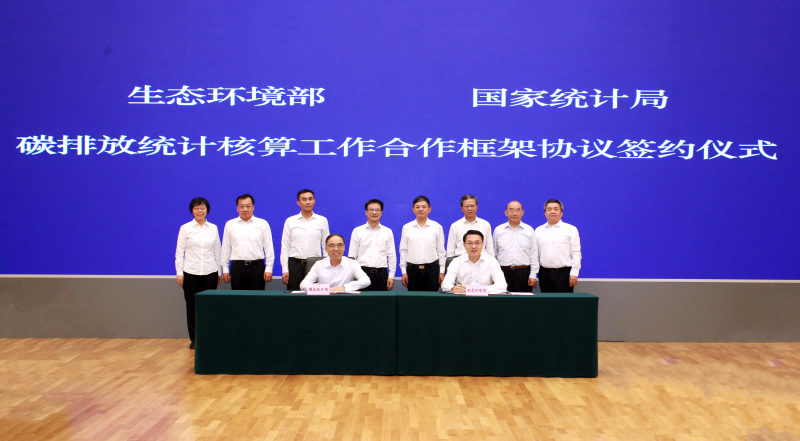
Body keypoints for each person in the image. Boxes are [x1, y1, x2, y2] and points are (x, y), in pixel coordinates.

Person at [175, 197, 222, 349]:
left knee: (209, 306)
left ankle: (208, 336)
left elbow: (217, 251)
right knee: (192, 306)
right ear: (192, 210)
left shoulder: (213, 228)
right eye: (196, 208)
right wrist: (179, 272)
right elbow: (179, 252)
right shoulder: (185, 228)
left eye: (202, 208)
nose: (199, 211)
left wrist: (219, 271)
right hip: (191, 272)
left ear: (207, 210)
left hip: (210, 272)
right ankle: (195, 338)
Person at [220, 194, 275, 290]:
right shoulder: (230, 224)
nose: (245, 209)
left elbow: (269, 248)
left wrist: (269, 268)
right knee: (238, 297)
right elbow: (225, 248)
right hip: (237, 268)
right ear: (237, 208)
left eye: (248, 206)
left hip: (257, 267)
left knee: (257, 297)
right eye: (241, 206)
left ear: (253, 207)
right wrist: (225, 269)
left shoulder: (262, 224)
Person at [281, 189, 330, 291]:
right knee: (294, 295)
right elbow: (285, 246)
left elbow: (326, 246)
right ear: (298, 203)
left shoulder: (322, 220)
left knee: (314, 296)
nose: (308, 202)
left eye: (310, 199)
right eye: (304, 199)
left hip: (315, 265)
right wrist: (285, 269)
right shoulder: (290, 221)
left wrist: (327, 266)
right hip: (295, 265)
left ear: (314, 201)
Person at [399, 196, 446, 291]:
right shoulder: (407, 227)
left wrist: (441, 272)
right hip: (413, 271)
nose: (420, 209)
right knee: (414, 299)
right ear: (413, 209)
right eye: (417, 207)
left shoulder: (437, 227)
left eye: (424, 207)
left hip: (432, 270)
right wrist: (404, 272)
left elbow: (441, 251)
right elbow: (403, 251)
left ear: (429, 209)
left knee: (432, 298)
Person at [348, 199, 397, 291]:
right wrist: (352, 275)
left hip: (381, 275)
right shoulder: (357, 231)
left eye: (377, 210)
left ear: (381, 213)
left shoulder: (387, 232)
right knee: (362, 300)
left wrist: (391, 276)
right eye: (371, 209)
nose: (374, 212)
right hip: (362, 274)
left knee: (381, 300)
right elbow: (352, 256)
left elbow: (391, 256)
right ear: (366, 212)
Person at [535, 199, 582, 293]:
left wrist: (574, 273)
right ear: (545, 213)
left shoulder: (570, 229)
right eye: (549, 209)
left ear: (561, 213)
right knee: (546, 301)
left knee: (564, 301)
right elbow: (535, 254)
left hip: (564, 274)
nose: (552, 211)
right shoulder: (538, 231)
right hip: (544, 274)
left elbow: (576, 253)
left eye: (556, 209)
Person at [493, 201, 539, 292]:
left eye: (518, 210)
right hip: (503, 272)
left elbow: (534, 254)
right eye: (511, 210)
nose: (514, 213)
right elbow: (494, 253)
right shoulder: (498, 230)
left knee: (523, 300)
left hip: (523, 273)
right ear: (506, 213)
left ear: (522, 213)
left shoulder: (529, 230)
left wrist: (533, 274)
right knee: (502, 299)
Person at [441, 230, 507, 294]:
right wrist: (453, 289)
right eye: (470, 243)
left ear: (482, 244)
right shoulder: (456, 262)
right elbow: (445, 284)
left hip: (484, 299)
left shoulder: (491, 261)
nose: (473, 246)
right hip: (462, 298)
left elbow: (502, 285)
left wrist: (475, 289)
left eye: (477, 243)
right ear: (464, 245)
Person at [300, 234, 371, 292]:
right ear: (326, 248)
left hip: (345, 299)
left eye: (339, 245)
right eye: (332, 245)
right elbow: (303, 284)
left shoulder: (352, 263)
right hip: (324, 298)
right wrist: (317, 288)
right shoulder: (319, 264)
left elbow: (366, 281)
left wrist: (345, 288)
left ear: (344, 247)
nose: (336, 249)